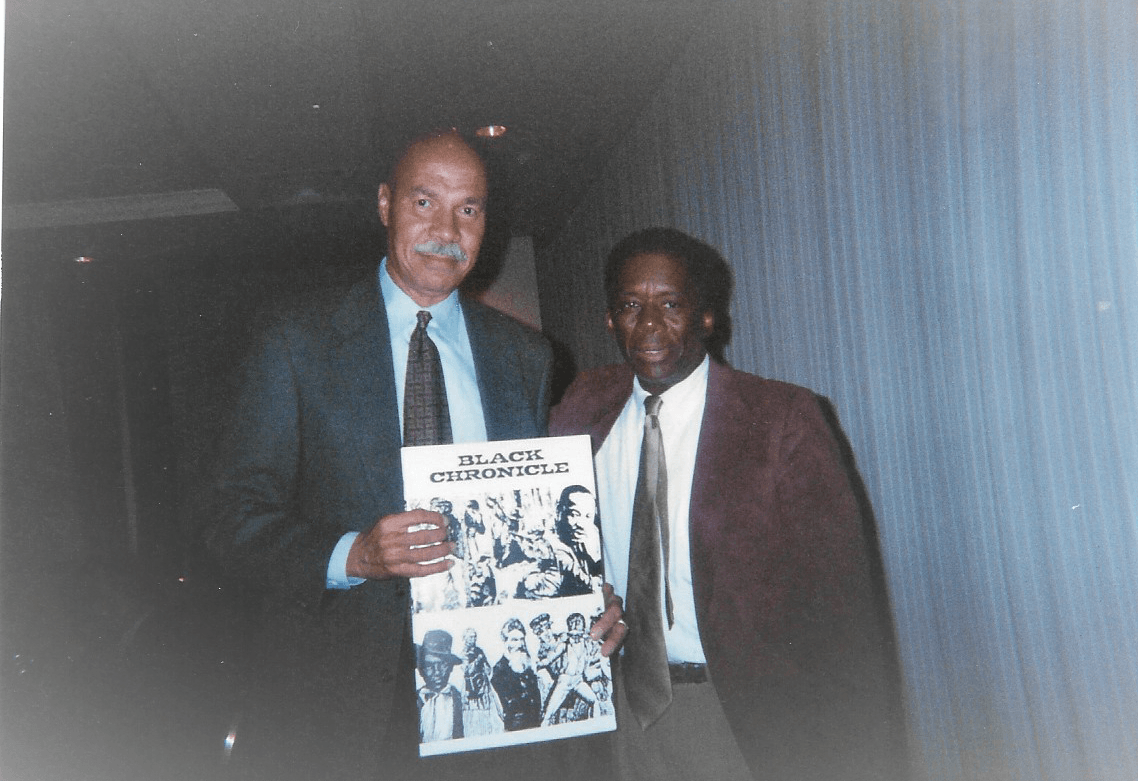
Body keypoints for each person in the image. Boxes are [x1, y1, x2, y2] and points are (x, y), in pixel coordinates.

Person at [208, 130, 624, 781]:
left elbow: (536, 526)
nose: (445, 231)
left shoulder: (527, 357)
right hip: (344, 709)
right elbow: (229, 520)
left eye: (468, 209)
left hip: (493, 705)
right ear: (385, 204)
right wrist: (352, 554)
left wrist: (584, 596)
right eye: (424, 202)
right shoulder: (294, 341)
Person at [549, 227, 908, 781]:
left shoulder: (780, 419)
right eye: (630, 306)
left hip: (740, 715)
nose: (649, 325)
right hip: (611, 706)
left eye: (671, 304)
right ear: (610, 320)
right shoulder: (580, 408)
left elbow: (842, 607)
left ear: (707, 317)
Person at [490, 618, 543, 732]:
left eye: (521, 639)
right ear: (506, 642)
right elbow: (503, 708)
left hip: (535, 723)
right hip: (516, 727)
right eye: (514, 640)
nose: (519, 644)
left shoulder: (528, 664)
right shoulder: (500, 669)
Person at [416, 630, 465, 742]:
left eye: (442, 664)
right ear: (420, 670)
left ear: (451, 667)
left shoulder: (461, 699)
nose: (437, 672)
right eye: (429, 665)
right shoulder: (414, 699)